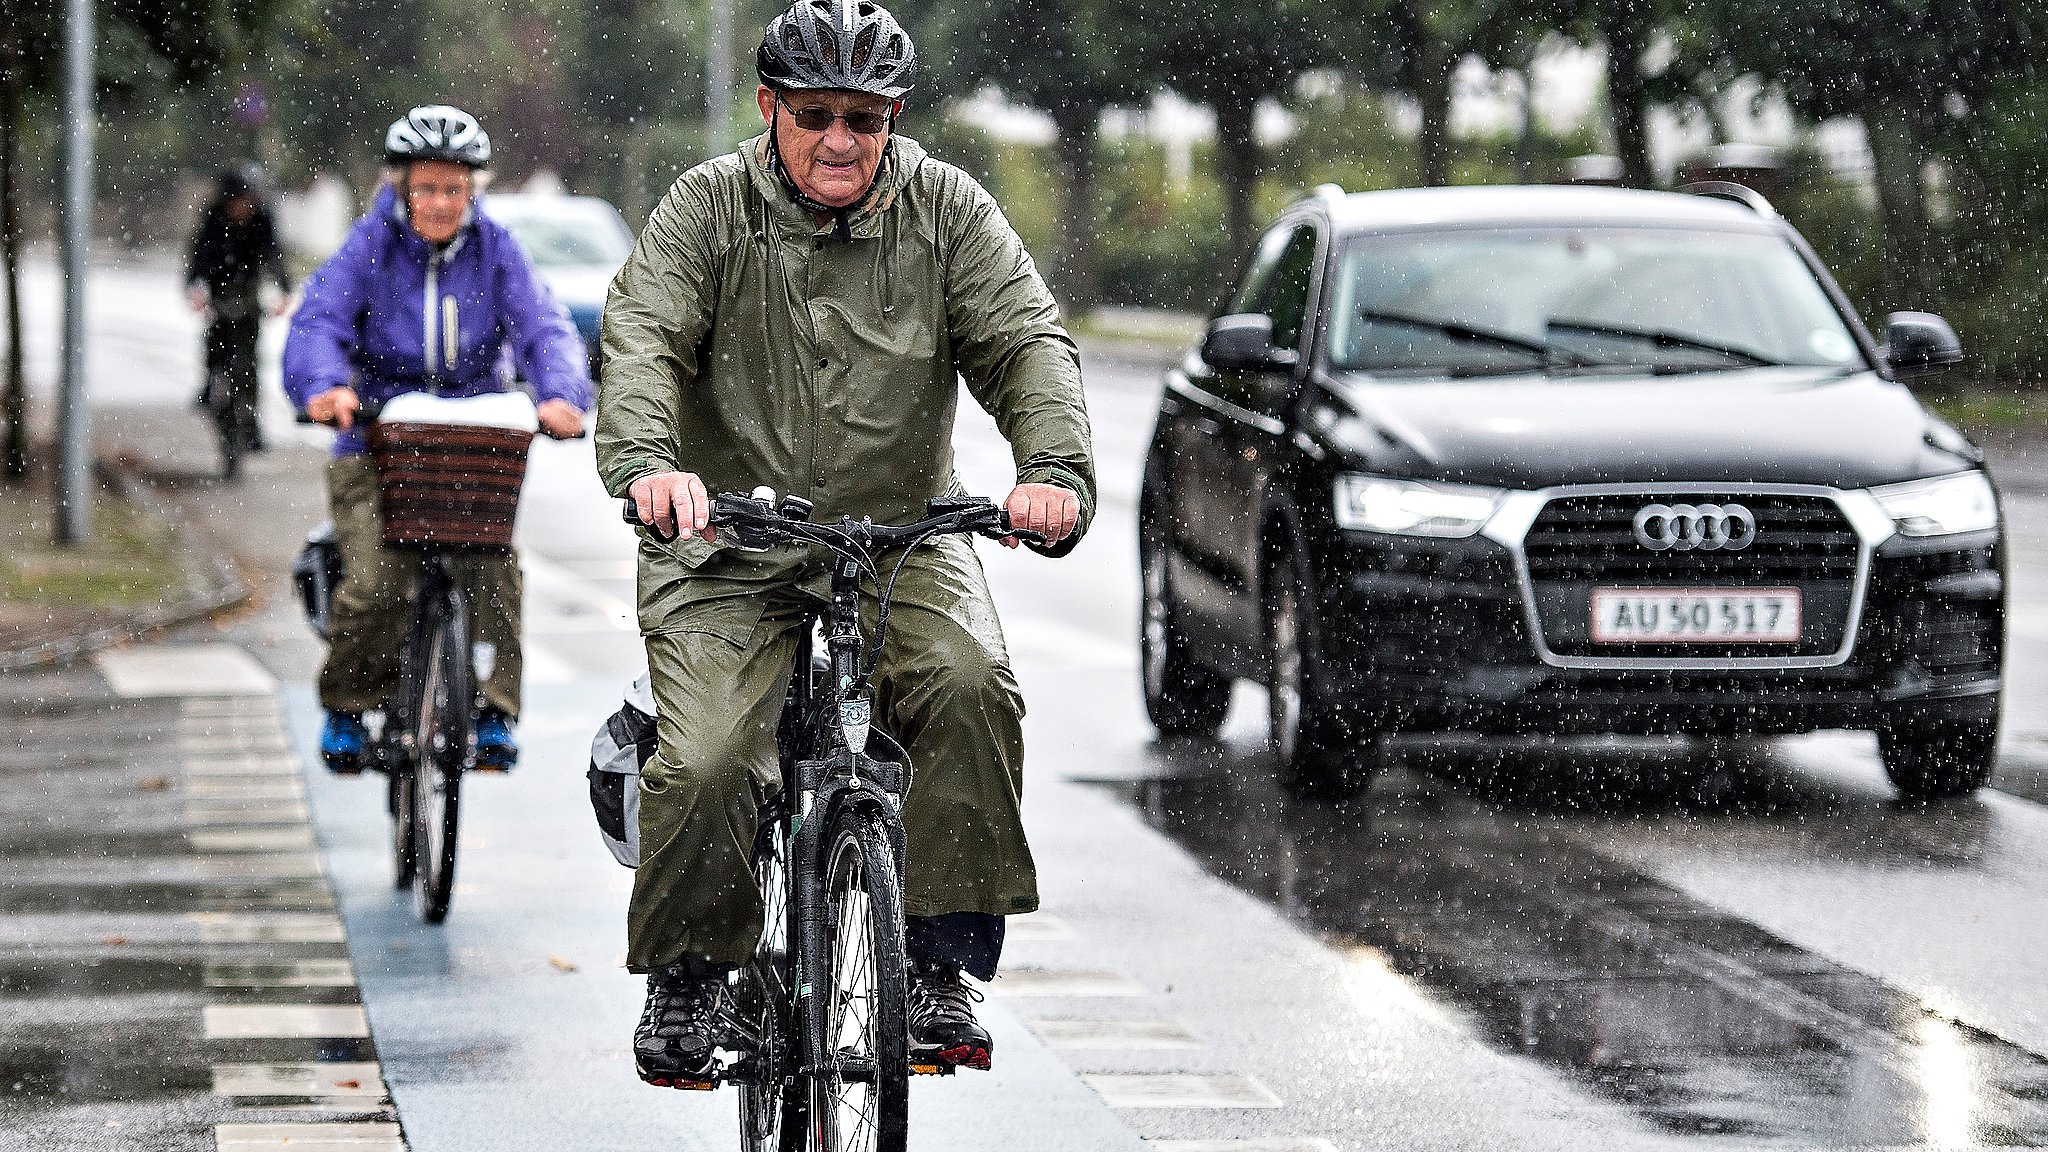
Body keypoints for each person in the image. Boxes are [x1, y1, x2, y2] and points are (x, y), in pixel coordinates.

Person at [598, 0, 1095, 1088]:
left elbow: (1024, 341)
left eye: (862, 121)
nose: (838, 140)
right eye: (813, 114)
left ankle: (935, 966)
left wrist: (1050, 475)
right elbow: (640, 336)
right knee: (714, 754)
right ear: (769, 109)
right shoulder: (707, 208)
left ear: (893, 119)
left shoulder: (948, 211)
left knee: (970, 685)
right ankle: (688, 974)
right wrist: (649, 469)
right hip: (728, 541)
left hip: (902, 535)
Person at [284, 104, 592, 774]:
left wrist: (563, 394)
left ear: (474, 190)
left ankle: (491, 713)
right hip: (374, 440)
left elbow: (544, 326)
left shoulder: (497, 249)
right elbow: (319, 321)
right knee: (375, 581)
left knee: (496, 571)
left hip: (471, 446)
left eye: (455, 188)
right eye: (427, 187)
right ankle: (347, 704)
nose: (441, 202)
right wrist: (325, 386)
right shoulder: (369, 244)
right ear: (400, 186)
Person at [185, 166, 291, 447]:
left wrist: (284, 291)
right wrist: (195, 288)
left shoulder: (262, 219)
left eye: (248, 200)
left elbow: (274, 255)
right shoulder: (214, 219)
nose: (242, 207)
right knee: (213, 344)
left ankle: (252, 424)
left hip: (248, 290)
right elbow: (198, 255)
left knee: (249, 361)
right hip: (220, 289)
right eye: (237, 200)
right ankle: (209, 384)